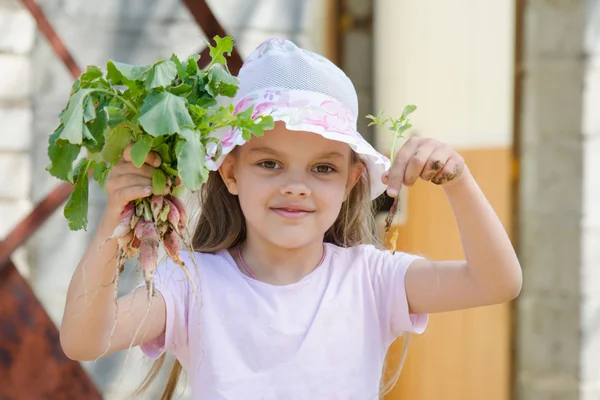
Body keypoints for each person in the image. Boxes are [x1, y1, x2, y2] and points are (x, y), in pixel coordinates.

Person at [59, 38, 522, 400]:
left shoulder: (371, 279)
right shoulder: (192, 283)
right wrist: (114, 224)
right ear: (231, 171)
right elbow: (84, 341)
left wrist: (459, 181)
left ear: (351, 180)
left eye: (323, 168)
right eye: (269, 163)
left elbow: (496, 282)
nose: (296, 186)